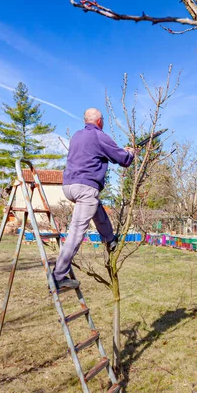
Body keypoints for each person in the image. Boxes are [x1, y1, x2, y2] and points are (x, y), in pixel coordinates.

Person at [53, 108, 136, 290]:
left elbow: (94, 153)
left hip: (69, 186)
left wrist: (122, 151)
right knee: (76, 232)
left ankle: (109, 238)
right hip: (85, 187)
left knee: (96, 207)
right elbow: (123, 160)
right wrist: (130, 153)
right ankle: (58, 276)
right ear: (99, 121)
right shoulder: (99, 136)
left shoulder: (77, 136)